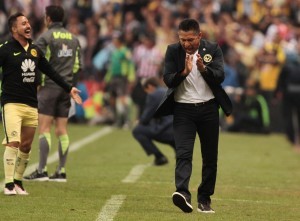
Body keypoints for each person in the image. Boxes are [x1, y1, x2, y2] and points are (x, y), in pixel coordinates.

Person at [155, 18, 232, 213]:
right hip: (183, 111)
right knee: (183, 153)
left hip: (209, 110)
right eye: (183, 40)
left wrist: (203, 69)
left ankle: (204, 199)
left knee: (210, 158)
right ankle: (182, 193)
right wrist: (184, 72)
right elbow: (168, 79)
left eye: (190, 39)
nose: (186, 44)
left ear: (199, 36)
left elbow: (220, 75)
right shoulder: (173, 51)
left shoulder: (212, 49)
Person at [0, 12, 82, 195]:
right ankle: (8, 185)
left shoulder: (35, 49)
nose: (28, 25)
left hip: (31, 104)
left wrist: (69, 88)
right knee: (13, 141)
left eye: (28, 22)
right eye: (23, 23)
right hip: (11, 103)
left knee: (27, 145)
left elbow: (51, 72)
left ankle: (19, 182)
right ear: (14, 28)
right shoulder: (4, 49)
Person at [23, 5, 82, 182]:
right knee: (62, 130)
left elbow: (36, 61)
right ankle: (61, 171)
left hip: (49, 87)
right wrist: (70, 86)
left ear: (48, 18)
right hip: (67, 87)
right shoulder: (74, 38)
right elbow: (78, 66)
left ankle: (41, 171)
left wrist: (37, 83)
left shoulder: (46, 37)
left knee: (44, 128)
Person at [132, 77, 175, 166]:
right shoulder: (167, 91)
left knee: (137, 130)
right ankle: (181, 155)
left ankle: (159, 157)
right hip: (179, 128)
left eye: (146, 90)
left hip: (167, 129)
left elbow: (146, 118)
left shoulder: (153, 95)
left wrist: (139, 121)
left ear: (150, 86)